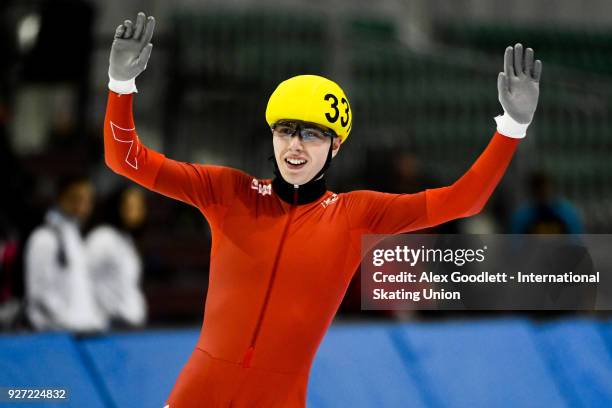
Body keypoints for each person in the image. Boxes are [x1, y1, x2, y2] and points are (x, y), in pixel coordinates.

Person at [104, 12, 542, 407]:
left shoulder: (356, 215)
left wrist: (512, 126)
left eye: (311, 134)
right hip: (199, 392)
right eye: (286, 131)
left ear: (335, 146)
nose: (295, 145)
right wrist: (120, 86)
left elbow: (464, 200)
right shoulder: (228, 192)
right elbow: (125, 159)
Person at [24, 174, 106, 332]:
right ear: (60, 198)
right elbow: (39, 294)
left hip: (80, 331)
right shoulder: (44, 238)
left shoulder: (75, 238)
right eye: (76, 198)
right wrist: (68, 322)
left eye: (88, 200)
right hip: (56, 335)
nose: (82, 205)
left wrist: (92, 318)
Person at [86, 185, 148, 329]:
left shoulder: (128, 240)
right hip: (112, 325)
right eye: (130, 206)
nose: (136, 212)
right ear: (117, 207)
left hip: (131, 325)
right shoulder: (102, 238)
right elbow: (81, 278)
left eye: (140, 207)